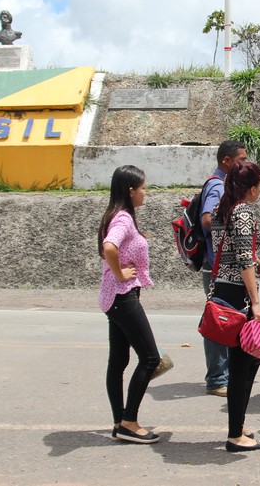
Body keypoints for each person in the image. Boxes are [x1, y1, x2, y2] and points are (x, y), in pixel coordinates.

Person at [98, 165, 161, 444]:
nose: (145, 193)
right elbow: (109, 247)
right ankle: (128, 422)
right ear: (130, 190)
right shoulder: (122, 219)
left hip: (114, 298)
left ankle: (118, 421)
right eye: (143, 188)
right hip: (122, 296)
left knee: (119, 361)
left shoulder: (117, 215)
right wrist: (120, 272)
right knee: (150, 358)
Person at [210, 160, 260, 452]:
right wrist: (255, 301)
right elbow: (243, 259)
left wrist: (252, 260)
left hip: (224, 288)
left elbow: (231, 250)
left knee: (246, 361)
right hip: (239, 295)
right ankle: (235, 434)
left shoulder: (223, 207)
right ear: (253, 187)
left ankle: (238, 422)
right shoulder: (243, 210)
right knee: (244, 364)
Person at [200, 140, 248, 397]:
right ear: (227, 161)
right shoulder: (218, 186)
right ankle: (217, 378)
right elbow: (208, 219)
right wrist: (233, 227)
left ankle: (225, 375)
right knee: (218, 320)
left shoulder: (225, 185)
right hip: (217, 266)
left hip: (221, 265)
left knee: (228, 320)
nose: (244, 163)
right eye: (241, 159)